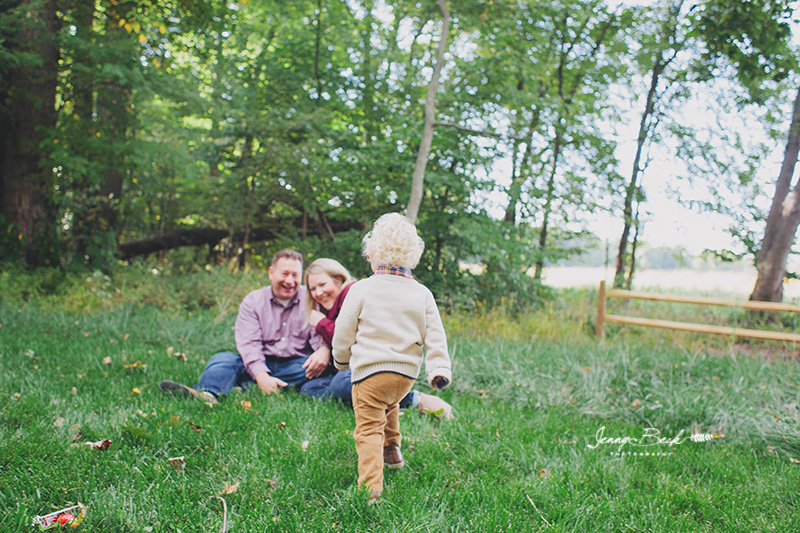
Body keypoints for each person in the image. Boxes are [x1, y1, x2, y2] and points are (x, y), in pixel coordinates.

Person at [332, 213, 453, 504]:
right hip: (404, 377)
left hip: (370, 373)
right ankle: (392, 450)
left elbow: (343, 331)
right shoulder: (422, 293)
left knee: (368, 427)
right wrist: (438, 368)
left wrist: (341, 360)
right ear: (413, 256)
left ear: (371, 253)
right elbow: (436, 335)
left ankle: (370, 489)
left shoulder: (361, 289)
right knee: (391, 405)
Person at [159, 249, 331, 404]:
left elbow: (319, 336)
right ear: (271, 273)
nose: (290, 281)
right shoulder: (253, 301)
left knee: (317, 368)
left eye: (295, 275)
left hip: (297, 364)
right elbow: (249, 344)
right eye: (284, 273)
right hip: (260, 360)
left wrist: (323, 349)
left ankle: (245, 386)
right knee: (223, 360)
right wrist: (261, 374)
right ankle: (207, 394)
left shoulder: (311, 298)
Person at [299, 258, 453, 419]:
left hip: (374, 366)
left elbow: (350, 339)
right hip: (351, 371)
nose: (318, 293)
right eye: (312, 289)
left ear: (339, 279)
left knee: (341, 385)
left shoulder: (353, 293)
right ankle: (381, 401)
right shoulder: (329, 307)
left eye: (322, 285)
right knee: (309, 389)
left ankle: (415, 399)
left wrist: (321, 324)